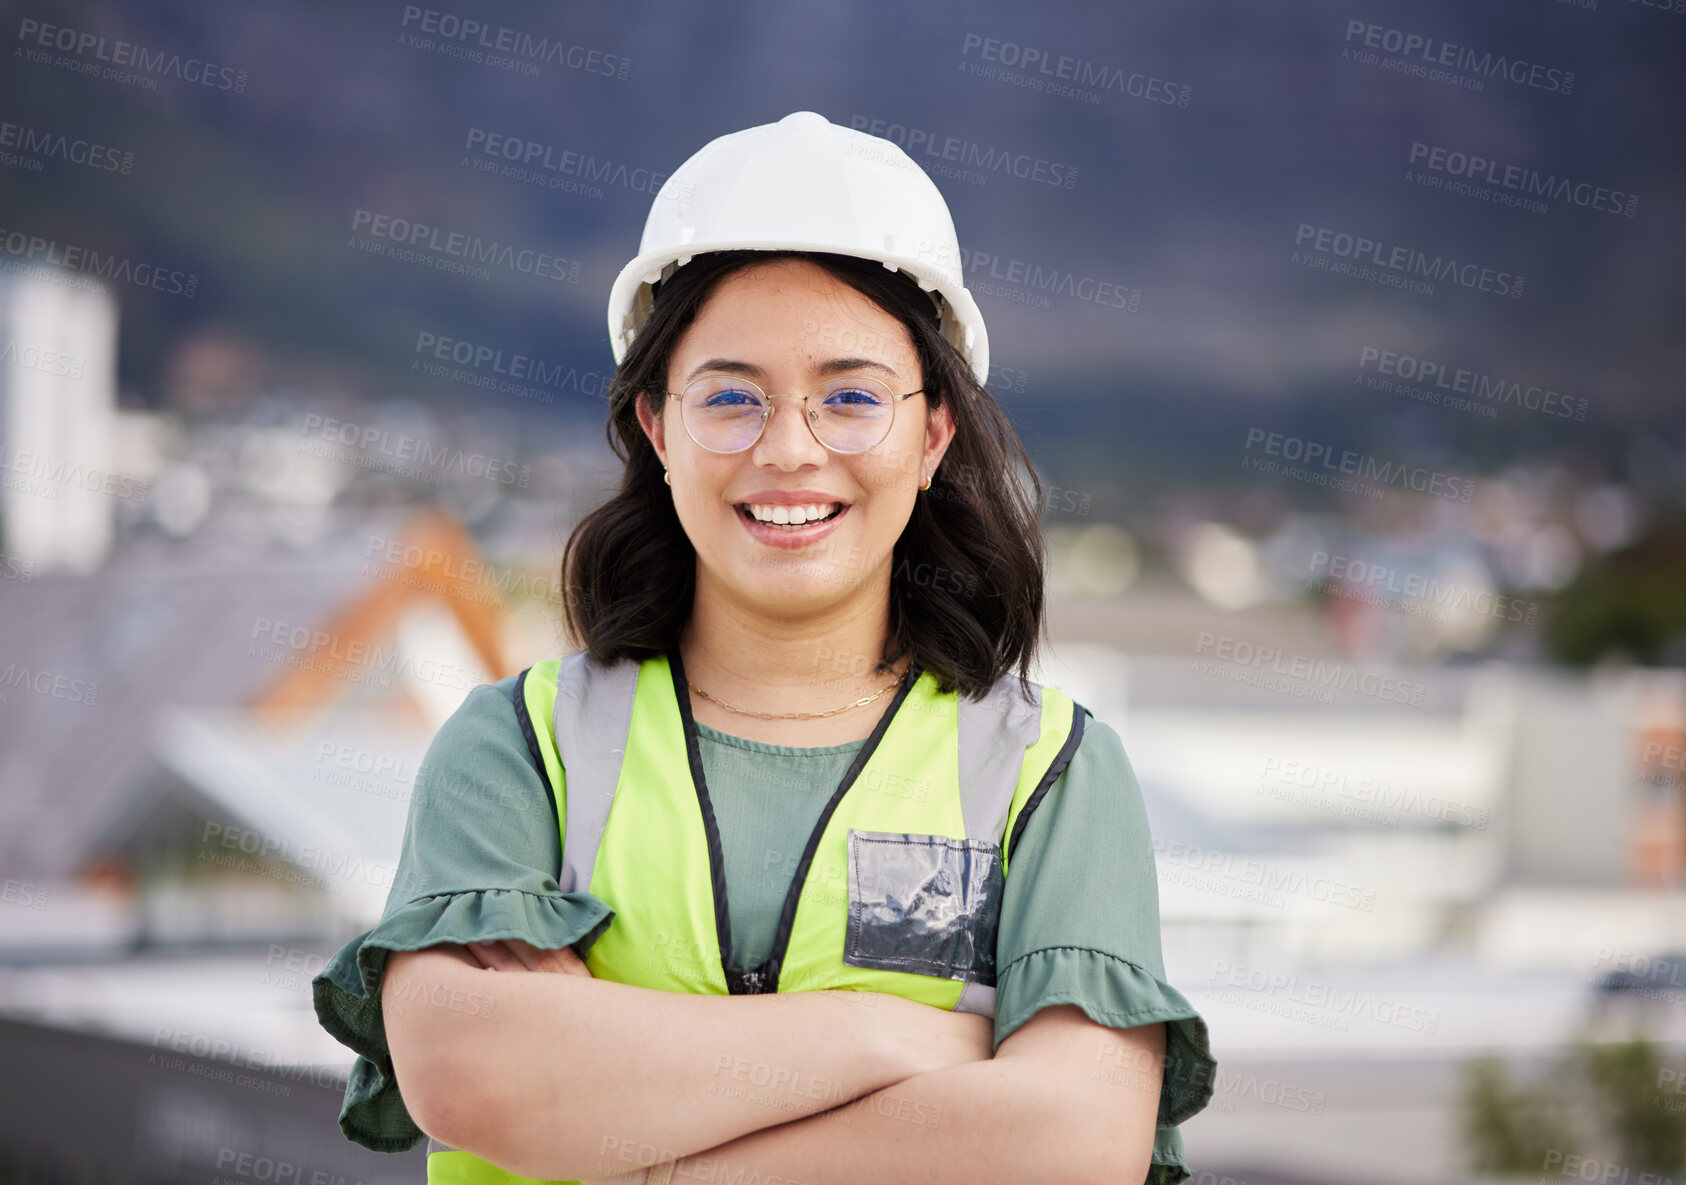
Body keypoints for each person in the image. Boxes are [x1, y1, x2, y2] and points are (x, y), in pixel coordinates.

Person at [314, 110, 1215, 1185]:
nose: (790, 449)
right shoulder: (520, 749)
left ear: (934, 436)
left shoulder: (1048, 774)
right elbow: (475, 1081)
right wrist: (900, 1039)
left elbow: (1072, 1144)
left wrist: (641, 1129)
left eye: (850, 399)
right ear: (656, 428)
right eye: (731, 398)